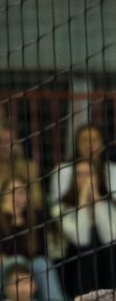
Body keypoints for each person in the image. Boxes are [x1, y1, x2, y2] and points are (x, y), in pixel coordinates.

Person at [49, 126, 116, 298]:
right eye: (80, 174)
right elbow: (81, 239)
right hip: (72, 256)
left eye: (90, 174)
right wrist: (83, 200)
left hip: (106, 256)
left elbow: (110, 238)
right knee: (85, 251)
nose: (86, 179)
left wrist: (97, 199)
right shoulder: (60, 207)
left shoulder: (107, 202)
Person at [0, 177, 65, 301]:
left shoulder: (36, 217)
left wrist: (17, 221)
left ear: (27, 196)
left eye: (21, 192)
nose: (16, 196)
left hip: (30, 267)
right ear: (3, 195)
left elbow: (40, 251)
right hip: (1, 272)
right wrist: (9, 218)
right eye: (12, 192)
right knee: (17, 260)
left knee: (42, 263)